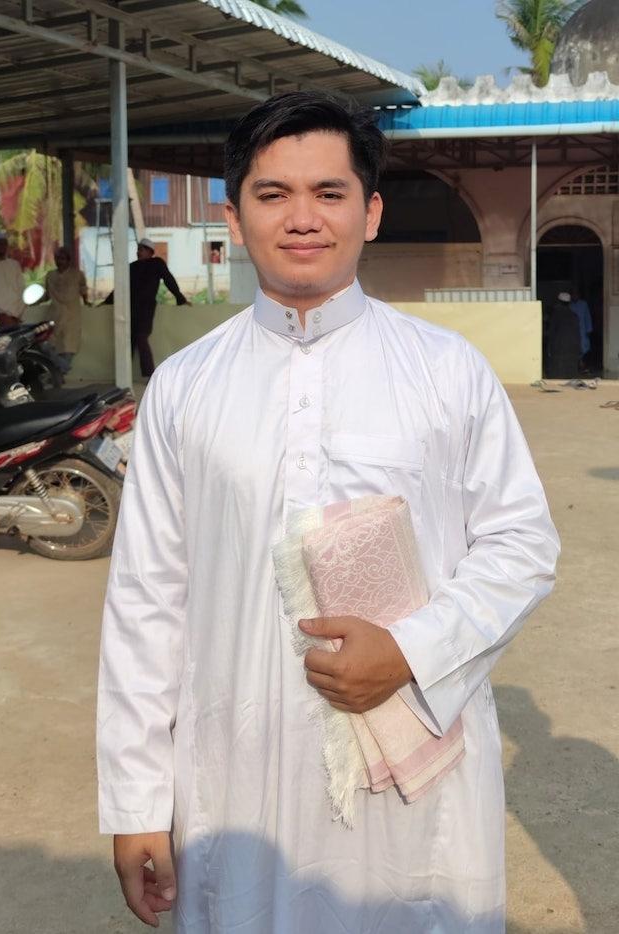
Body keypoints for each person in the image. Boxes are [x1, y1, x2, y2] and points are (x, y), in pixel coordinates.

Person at [97, 91, 560, 933]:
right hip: (238, 779)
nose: (302, 218)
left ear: (371, 212)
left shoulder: (446, 371)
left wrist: (412, 652)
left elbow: (521, 544)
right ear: (234, 218)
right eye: (272, 195)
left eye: (330, 193)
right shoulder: (185, 387)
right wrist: (134, 800)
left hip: (416, 780)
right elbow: (146, 599)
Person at [102, 237, 189, 378]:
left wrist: (180, 297)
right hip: (130, 307)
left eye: (141, 250)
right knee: (128, 340)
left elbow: (169, 280)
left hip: (146, 308)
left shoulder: (156, 263)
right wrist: (106, 302)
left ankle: (149, 376)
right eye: (138, 250)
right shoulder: (132, 267)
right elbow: (120, 287)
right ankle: (123, 376)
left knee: (141, 338)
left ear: (150, 252)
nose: (138, 252)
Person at [40, 246, 89, 372]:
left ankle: (61, 371)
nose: (59, 261)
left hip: (72, 315)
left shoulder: (77, 274)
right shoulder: (50, 275)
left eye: (62, 258)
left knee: (69, 347)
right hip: (54, 314)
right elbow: (46, 295)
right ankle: (62, 369)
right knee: (47, 345)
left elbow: (84, 291)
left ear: (68, 260)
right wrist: (31, 302)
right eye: (57, 258)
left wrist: (88, 302)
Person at [547, 291, 580, 378]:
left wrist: (550, 346)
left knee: (558, 370)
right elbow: (577, 333)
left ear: (559, 302)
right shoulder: (574, 316)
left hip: (558, 346)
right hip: (572, 347)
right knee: (570, 370)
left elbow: (551, 331)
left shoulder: (555, 315)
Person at [569, 287, 593, 368]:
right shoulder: (569, 305)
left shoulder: (583, 304)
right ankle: (577, 365)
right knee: (574, 348)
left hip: (583, 330)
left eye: (576, 294)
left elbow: (587, 317)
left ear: (579, 295)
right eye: (573, 294)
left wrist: (589, 329)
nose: (575, 296)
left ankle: (583, 365)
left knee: (584, 347)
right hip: (573, 331)